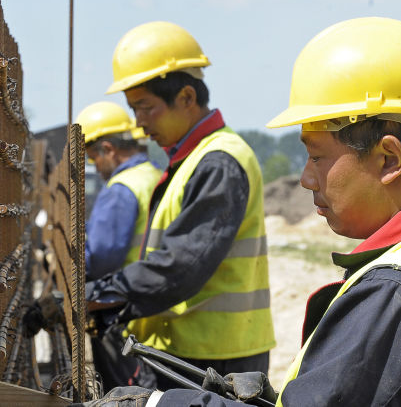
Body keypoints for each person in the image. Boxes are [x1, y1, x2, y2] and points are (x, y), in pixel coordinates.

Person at [76, 17, 401, 407]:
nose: (307, 179)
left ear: (388, 159)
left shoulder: (396, 293)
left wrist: (158, 403)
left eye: (317, 157)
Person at [85, 21, 275, 391]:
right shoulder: (190, 160)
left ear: (187, 97)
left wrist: (96, 296)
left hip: (216, 360)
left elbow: (181, 265)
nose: (138, 124)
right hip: (191, 351)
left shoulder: (219, 161)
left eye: (145, 107)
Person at [77, 101, 162, 390]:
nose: (96, 167)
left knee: (122, 393)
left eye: (93, 158)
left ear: (109, 149)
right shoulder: (154, 176)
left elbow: (100, 257)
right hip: (150, 310)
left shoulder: (122, 188)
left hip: (119, 313)